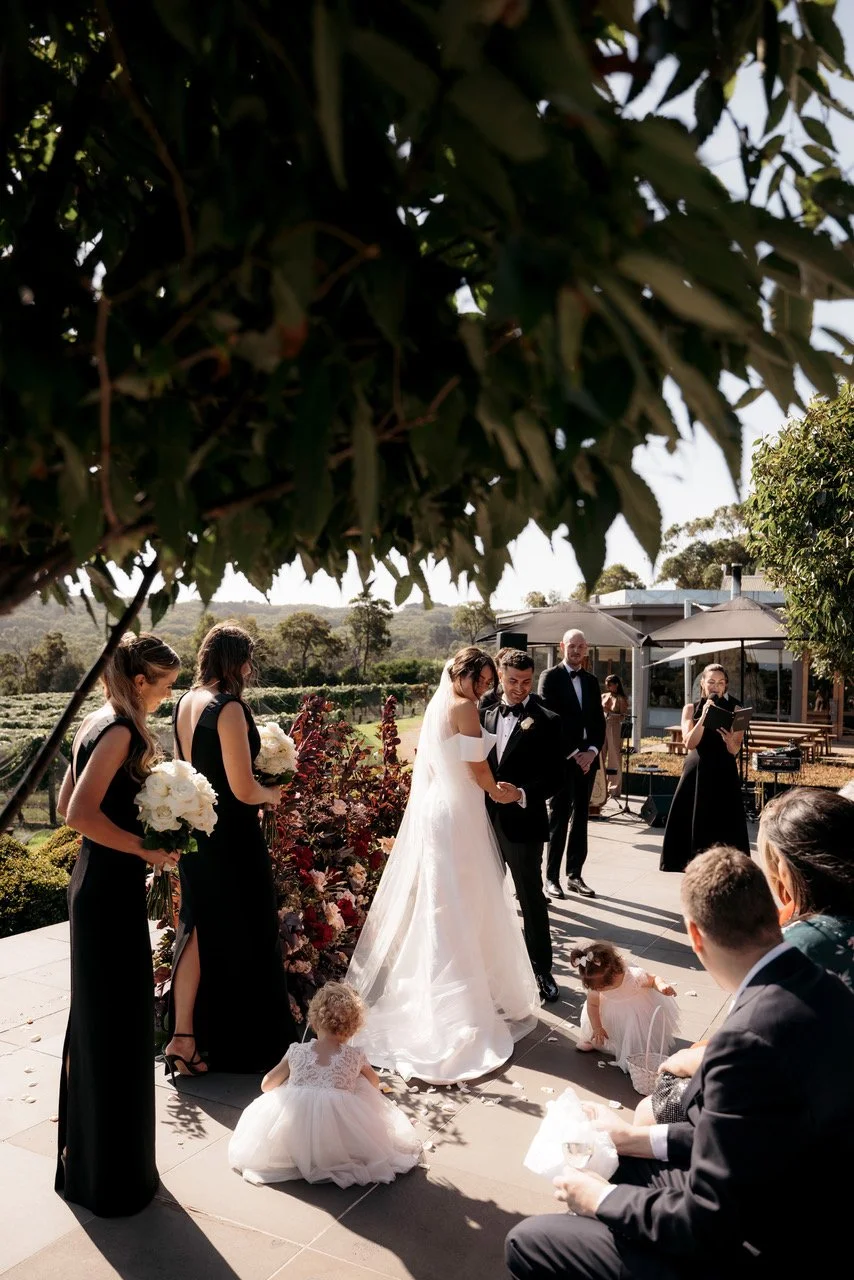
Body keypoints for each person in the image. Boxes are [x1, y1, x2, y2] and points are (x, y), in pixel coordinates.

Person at [506, 846, 854, 1280]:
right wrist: (634, 1138)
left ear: (695, 935)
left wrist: (599, 1198)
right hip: (788, 1188)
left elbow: (707, 1221)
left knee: (529, 1240)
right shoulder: (827, 988)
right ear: (774, 914)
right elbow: (743, 1134)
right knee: (616, 1159)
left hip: (762, 1238)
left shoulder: (745, 1040)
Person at [347, 646, 539, 1084]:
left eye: (489, 683)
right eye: (481, 680)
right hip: (457, 813)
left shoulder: (440, 704)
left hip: (442, 807)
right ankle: (458, 1002)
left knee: (446, 902)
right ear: (462, 673)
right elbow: (477, 767)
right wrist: (500, 791)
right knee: (462, 901)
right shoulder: (464, 707)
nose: (485, 688)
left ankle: (444, 990)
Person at [637, 785, 854, 1127]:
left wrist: (688, 1061)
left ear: (787, 870)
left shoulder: (802, 943)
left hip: (802, 1109)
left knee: (647, 1113)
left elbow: (755, 1044)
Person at [55, 633, 182, 1217]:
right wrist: (144, 847)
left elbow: (65, 804)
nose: (167, 695)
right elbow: (78, 814)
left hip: (95, 884)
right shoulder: (122, 731)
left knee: (101, 1024)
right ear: (139, 680)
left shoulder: (95, 721)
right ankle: (113, 1178)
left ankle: (94, 1167)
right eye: (165, 685)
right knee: (115, 1029)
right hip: (107, 891)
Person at [167, 621, 296, 1074]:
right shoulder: (228, 708)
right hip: (232, 838)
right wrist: (272, 793)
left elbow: (188, 771)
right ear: (238, 662)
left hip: (197, 834)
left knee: (197, 929)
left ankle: (184, 1037)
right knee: (250, 932)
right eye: (248, 661)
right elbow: (242, 788)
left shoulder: (185, 701)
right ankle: (248, 1046)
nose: (249, 669)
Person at [228, 982, 421, 1188]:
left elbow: (266, 1085)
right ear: (352, 1028)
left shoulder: (296, 1051)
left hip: (296, 1131)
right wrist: (354, 1076)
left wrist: (291, 1082)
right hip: (337, 1133)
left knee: (287, 1092)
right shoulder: (355, 1055)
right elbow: (375, 1083)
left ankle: (298, 1152)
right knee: (361, 1085)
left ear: (314, 1021)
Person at [480, 649, 565, 1003]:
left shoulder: (548, 720)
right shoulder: (482, 714)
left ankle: (541, 970)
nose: (519, 688)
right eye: (513, 681)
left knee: (530, 898)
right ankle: (485, 970)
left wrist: (522, 793)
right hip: (482, 822)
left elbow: (557, 777)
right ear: (500, 676)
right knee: (483, 896)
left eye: (527, 682)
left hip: (524, 824)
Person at [660, 664, 750, 873]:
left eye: (720, 682)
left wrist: (729, 739)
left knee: (723, 817)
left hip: (724, 768)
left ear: (725, 685)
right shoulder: (690, 708)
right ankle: (689, 861)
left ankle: (724, 865)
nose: (715, 686)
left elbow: (735, 749)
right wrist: (704, 716)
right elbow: (689, 743)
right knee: (693, 815)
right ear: (702, 683)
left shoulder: (737, 709)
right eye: (711, 682)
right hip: (697, 768)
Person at [538, 629, 606, 899]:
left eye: (580, 646)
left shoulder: (591, 681)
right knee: (558, 817)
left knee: (581, 819)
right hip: (562, 760)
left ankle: (575, 875)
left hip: (588, 760)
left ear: (586, 648)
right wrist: (576, 753)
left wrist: (592, 752)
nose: (576, 650)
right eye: (571, 646)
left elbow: (599, 721)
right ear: (561, 647)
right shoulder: (549, 677)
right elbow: (549, 719)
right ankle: (551, 877)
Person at [570, 941, 678, 1070]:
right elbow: (592, 1006)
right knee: (601, 1031)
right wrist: (597, 1027)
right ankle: (590, 1040)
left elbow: (653, 979)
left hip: (635, 1010)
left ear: (617, 971)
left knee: (634, 1035)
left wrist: (661, 985)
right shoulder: (596, 988)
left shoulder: (634, 976)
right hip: (609, 1012)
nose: (599, 989)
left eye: (603, 986)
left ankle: (634, 1052)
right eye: (596, 987)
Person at [601, 675, 628, 798]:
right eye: (606, 684)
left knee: (614, 757)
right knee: (600, 756)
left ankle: (614, 788)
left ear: (616, 684)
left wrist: (609, 712)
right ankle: (600, 786)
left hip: (614, 726)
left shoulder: (621, 698)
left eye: (610, 684)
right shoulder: (603, 696)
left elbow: (623, 716)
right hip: (602, 725)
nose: (607, 686)